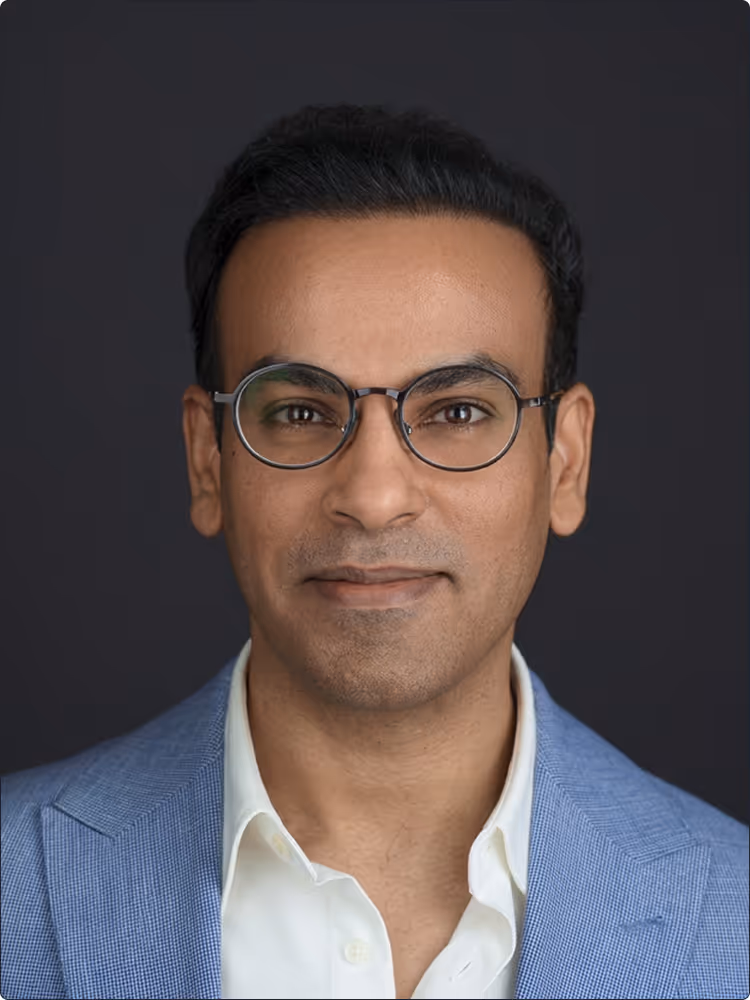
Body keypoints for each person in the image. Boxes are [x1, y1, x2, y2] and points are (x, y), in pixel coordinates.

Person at [1, 103, 747, 1000]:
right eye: (301, 412)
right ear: (209, 460)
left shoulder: (733, 913)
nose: (374, 494)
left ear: (566, 462)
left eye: (460, 411)